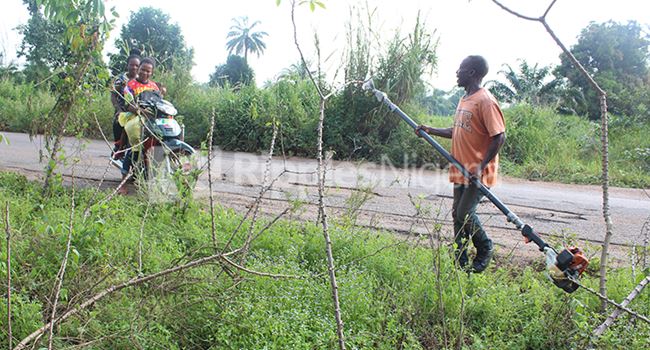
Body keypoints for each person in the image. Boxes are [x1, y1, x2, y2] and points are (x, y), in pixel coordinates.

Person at [415, 55, 506, 273]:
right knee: (457, 214)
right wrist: (430, 130)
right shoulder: (465, 99)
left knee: (465, 213)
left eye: (461, 69)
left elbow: (499, 136)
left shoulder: (485, 101)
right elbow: (458, 131)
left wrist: (480, 166)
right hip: (460, 168)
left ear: (472, 72)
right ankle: (460, 262)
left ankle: (485, 248)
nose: (457, 72)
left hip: (477, 173)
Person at [116, 57, 160, 194]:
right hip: (134, 116)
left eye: (148, 71)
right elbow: (129, 105)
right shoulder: (130, 85)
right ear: (138, 69)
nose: (144, 73)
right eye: (142, 70)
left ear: (151, 73)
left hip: (150, 118)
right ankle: (123, 182)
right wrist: (140, 111)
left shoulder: (154, 87)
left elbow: (159, 103)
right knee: (134, 142)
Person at [110, 49, 141, 157]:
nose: (134, 68)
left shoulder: (141, 80)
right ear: (127, 65)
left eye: (137, 65)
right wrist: (118, 109)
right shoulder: (120, 79)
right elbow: (113, 95)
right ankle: (119, 145)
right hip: (123, 109)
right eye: (132, 65)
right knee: (118, 121)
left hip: (137, 110)